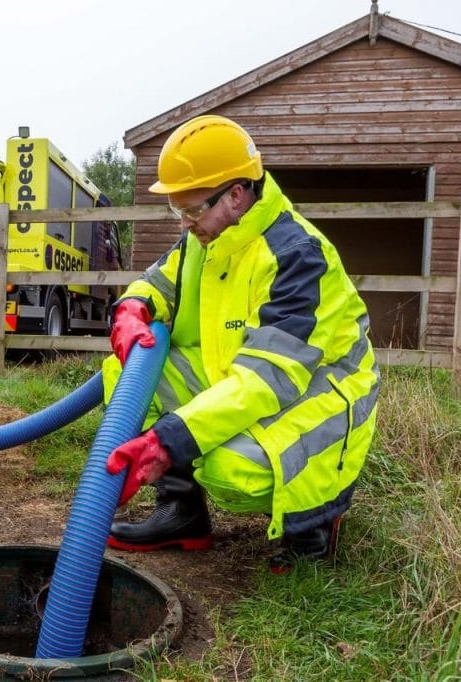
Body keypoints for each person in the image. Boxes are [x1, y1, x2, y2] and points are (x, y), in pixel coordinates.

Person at [102, 115, 380, 573]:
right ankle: (182, 514)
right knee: (124, 372)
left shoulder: (295, 255)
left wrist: (166, 441)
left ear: (235, 194)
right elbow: (157, 283)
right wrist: (133, 310)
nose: (185, 223)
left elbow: (267, 379)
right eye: (178, 210)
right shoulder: (206, 237)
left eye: (192, 210)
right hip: (242, 375)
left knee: (229, 469)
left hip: (319, 394)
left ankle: (313, 525)